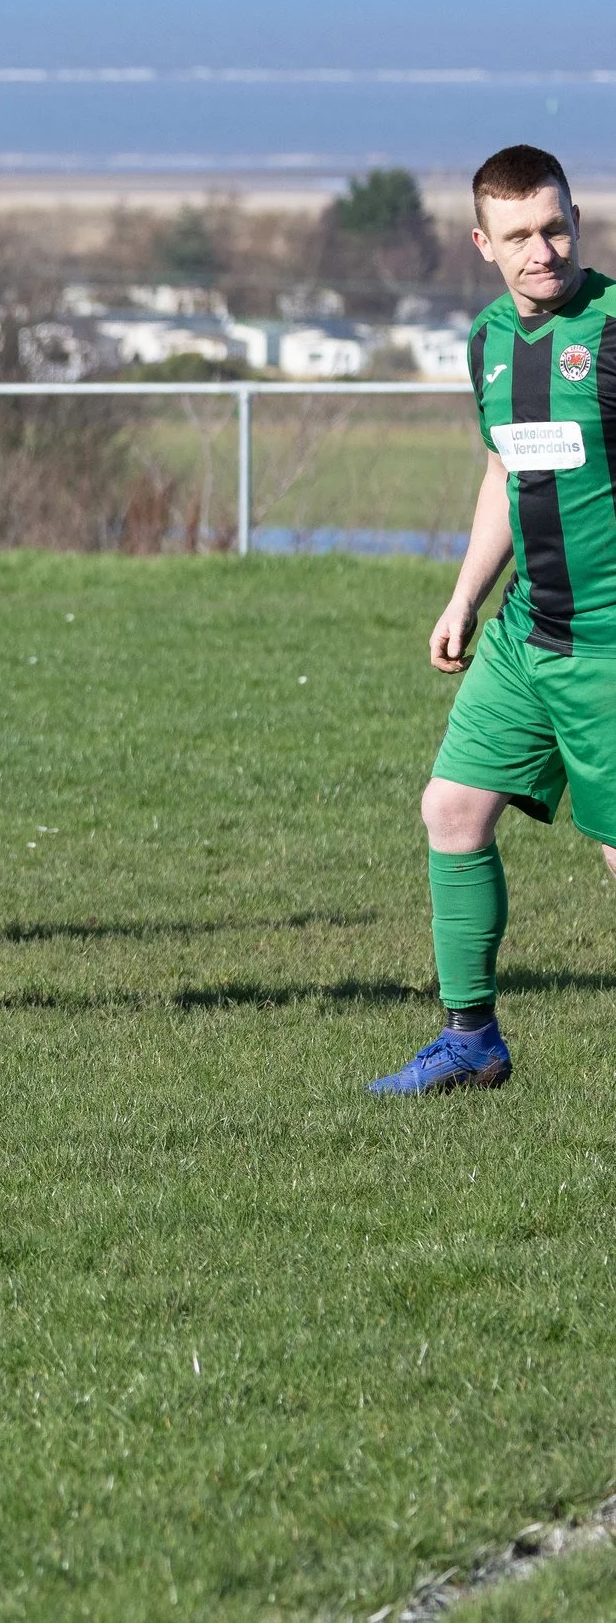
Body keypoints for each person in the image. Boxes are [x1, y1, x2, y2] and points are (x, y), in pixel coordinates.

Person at [372, 143, 616, 1094]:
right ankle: (470, 1041)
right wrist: (465, 596)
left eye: (555, 228)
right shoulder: (486, 343)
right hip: (525, 633)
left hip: (608, 644)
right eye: (518, 235)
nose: (541, 250)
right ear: (484, 242)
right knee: (453, 810)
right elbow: (503, 471)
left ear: (577, 223)